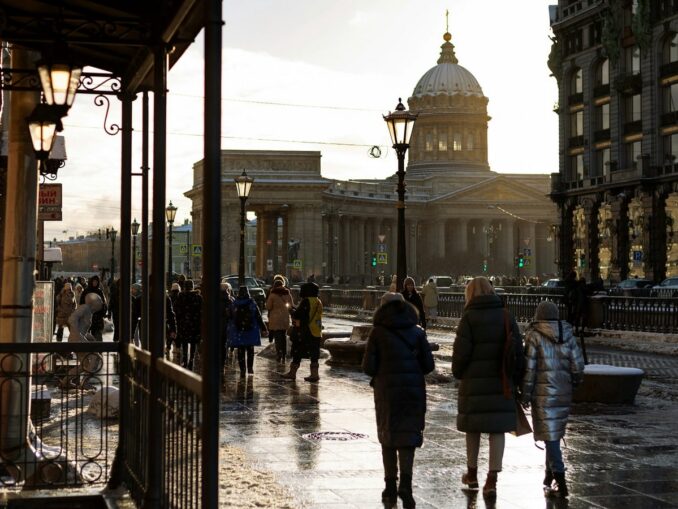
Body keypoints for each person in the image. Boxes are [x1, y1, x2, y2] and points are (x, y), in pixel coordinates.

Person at [452, 276, 524, 498]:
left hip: (474, 385)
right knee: (497, 430)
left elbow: (460, 355)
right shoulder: (505, 316)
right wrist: (517, 379)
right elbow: (518, 352)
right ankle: (492, 479)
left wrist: (458, 371)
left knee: (472, 429)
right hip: (501, 382)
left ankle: (472, 474)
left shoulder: (468, 318)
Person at [362, 292, 434, 508]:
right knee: (408, 438)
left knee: (388, 437)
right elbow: (429, 365)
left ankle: (390, 486)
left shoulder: (377, 333)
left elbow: (368, 368)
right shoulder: (417, 332)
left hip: (387, 392)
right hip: (412, 392)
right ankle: (407, 485)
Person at [521, 301, 585, 498]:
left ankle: (560, 476)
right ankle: (548, 475)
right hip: (563, 391)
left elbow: (529, 370)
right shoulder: (567, 334)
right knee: (553, 433)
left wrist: (525, 393)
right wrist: (574, 382)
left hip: (543, 394)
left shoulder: (534, 336)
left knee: (551, 435)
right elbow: (578, 365)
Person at [283, 281, 323, 382]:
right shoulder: (318, 301)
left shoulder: (306, 301)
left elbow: (299, 315)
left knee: (298, 351)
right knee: (314, 353)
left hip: (305, 331)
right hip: (316, 331)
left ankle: (292, 373)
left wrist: (291, 311)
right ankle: (315, 374)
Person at [228, 286, 267, 377]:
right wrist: (263, 328)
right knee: (250, 349)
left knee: (240, 350)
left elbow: (230, 317)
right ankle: (250, 368)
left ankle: (242, 369)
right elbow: (258, 316)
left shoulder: (234, 303)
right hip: (251, 329)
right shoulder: (252, 303)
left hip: (238, 330)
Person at [173, 279, 202, 370]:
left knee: (184, 342)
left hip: (183, 324)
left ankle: (185, 359)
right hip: (195, 323)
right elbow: (202, 311)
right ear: (192, 286)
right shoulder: (198, 297)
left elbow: (175, 310)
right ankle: (191, 359)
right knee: (193, 342)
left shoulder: (180, 297)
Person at [266, 279, 294, 364]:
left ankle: (279, 353)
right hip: (284, 318)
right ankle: (284, 354)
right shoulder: (287, 293)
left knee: (277, 337)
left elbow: (268, 307)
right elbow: (291, 305)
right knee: (283, 336)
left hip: (275, 318)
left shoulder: (272, 294)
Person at [79, 275, 108, 341]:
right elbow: (81, 303)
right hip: (87, 317)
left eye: (96, 282)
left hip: (98, 318)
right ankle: (89, 350)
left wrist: (102, 312)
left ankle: (98, 350)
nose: (95, 283)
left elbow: (104, 304)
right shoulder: (86, 291)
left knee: (98, 336)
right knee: (87, 337)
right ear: (91, 282)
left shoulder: (100, 292)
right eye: (94, 281)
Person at [220, 281, 234, 373]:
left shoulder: (213, 299)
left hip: (215, 326)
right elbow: (232, 314)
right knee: (223, 345)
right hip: (225, 326)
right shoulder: (230, 300)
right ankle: (222, 364)